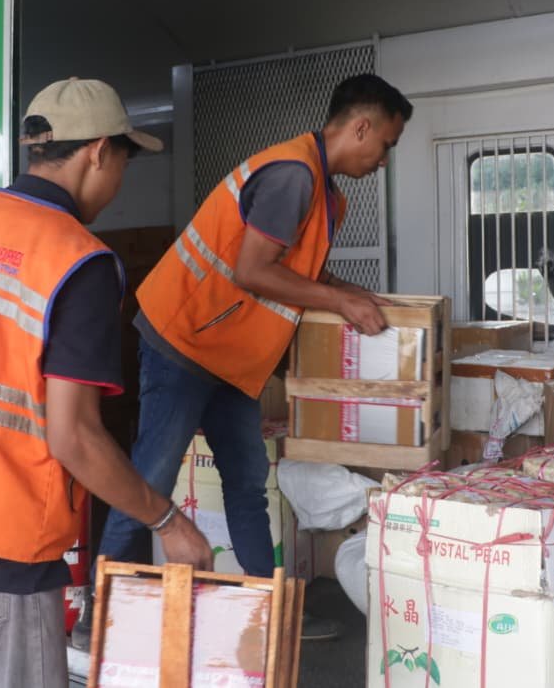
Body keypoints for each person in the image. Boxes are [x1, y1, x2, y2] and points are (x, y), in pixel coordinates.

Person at [0, 78, 213, 688]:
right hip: (0, 557)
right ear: (99, 153)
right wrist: (168, 522)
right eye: (124, 163)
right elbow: (73, 436)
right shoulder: (78, 261)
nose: (119, 180)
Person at [74, 73, 412, 651]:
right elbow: (252, 270)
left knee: (248, 482)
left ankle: (269, 606)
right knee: (150, 477)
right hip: (184, 341)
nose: (383, 160)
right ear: (361, 127)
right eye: (385, 144)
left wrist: (350, 291)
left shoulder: (328, 195)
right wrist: (338, 303)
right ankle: (97, 615)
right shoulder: (293, 175)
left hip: (231, 356)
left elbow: (299, 270)